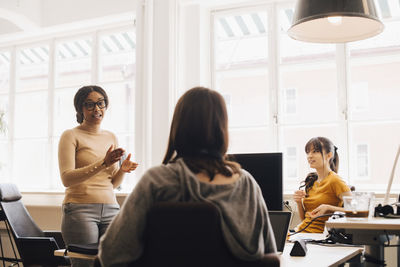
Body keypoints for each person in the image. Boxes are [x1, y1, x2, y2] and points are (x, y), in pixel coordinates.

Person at [98, 86, 277, 266]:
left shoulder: (157, 180)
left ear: (179, 126)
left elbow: (111, 253)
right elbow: (269, 252)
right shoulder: (246, 184)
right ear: (222, 128)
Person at [58, 85, 138, 267]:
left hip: (111, 209)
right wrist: (103, 163)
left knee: (116, 262)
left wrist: (122, 170)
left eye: (100, 103)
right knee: (85, 264)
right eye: (90, 104)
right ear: (80, 108)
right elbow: (66, 178)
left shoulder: (111, 136)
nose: (97, 109)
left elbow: (112, 184)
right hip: (80, 211)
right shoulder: (70, 135)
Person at [293, 137, 351, 233]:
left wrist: (328, 208)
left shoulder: (335, 180)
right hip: (302, 232)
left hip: (319, 236)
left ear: (329, 155)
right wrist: (299, 202)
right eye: (308, 152)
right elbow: (305, 220)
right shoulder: (311, 181)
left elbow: (355, 212)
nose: (309, 156)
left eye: (315, 151)